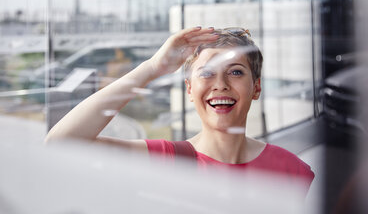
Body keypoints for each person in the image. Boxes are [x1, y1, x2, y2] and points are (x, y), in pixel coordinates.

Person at [45, 27, 314, 192]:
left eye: (235, 72)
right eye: (207, 73)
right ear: (189, 90)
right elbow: (61, 143)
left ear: (256, 88)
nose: (220, 85)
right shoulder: (168, 161)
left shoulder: (293, 171)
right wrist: (152, 68)